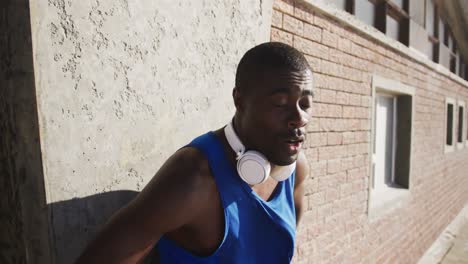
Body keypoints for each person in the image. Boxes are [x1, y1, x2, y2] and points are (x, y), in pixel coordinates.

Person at [76, 42, 314, 264]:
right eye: (281, 103)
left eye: (305, 104)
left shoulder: (295, 169)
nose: (299, 118)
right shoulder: (192, 179)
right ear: (239, 100)